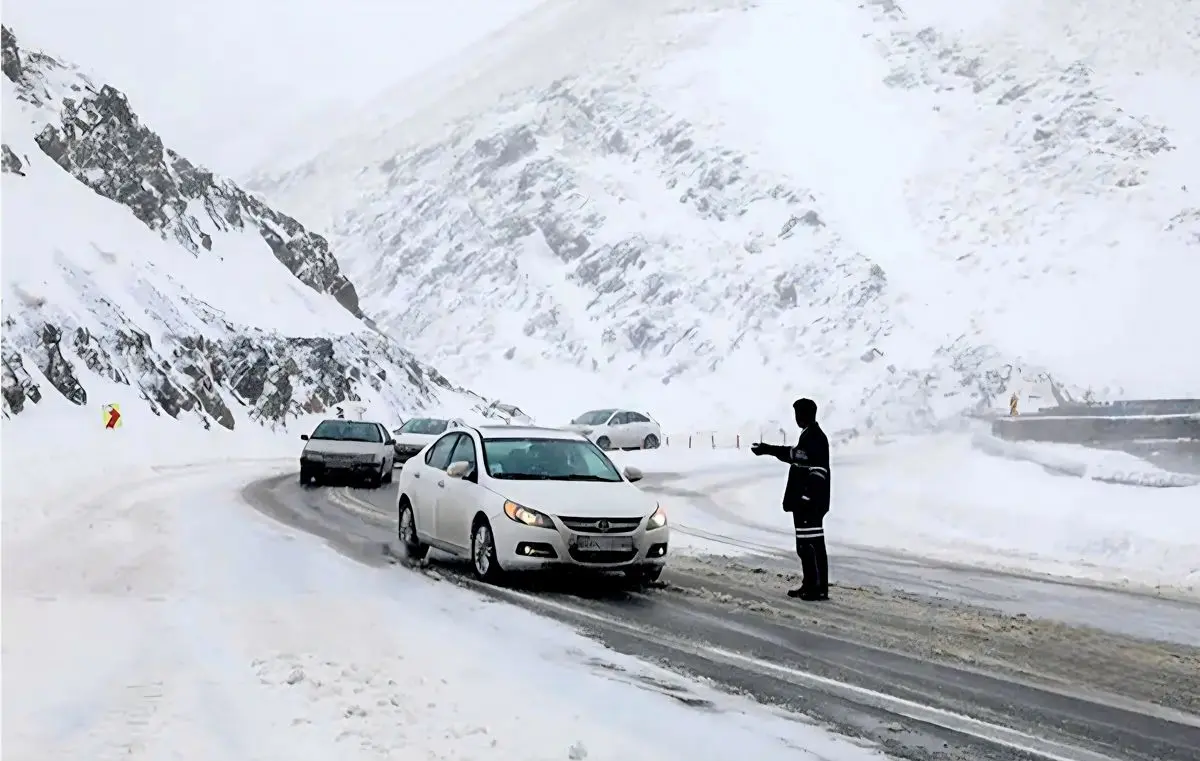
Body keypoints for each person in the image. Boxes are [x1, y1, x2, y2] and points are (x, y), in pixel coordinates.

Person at [751, 398, 831, 601]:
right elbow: (793, 455)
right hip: (807, 502)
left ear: (806, 415)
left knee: (810, 545)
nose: (796, 418)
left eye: (799, 414)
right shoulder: (809, 436)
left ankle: (816, 588)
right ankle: (812, 584)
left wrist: (806, 497)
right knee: (807, 545)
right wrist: (767, 449)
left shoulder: (815, 438)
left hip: (809, 503)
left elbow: (818, 471)